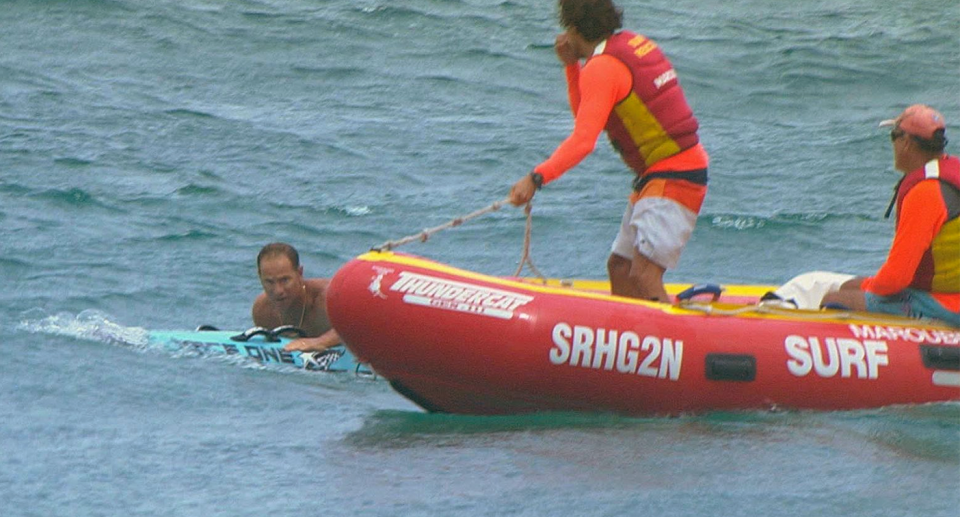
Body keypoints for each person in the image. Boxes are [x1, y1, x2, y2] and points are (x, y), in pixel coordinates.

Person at [508, 0, 709, 302]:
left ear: (574, 28)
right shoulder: (629, 44)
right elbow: (588, 117)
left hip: (675, 176)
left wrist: (536, 178)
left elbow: (583, 140)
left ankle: (670, 341)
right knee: (619, 266)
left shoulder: (603, 68)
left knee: (643, 274)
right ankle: (629, 336)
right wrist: (571, 67)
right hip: (662, 174)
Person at [821, 105, 959, 327]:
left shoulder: (927, 191)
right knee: (850, 286)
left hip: (949, 304)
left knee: (835, 299)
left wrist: (868, 289)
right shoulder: (951, 173)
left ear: (906, 142)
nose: (892, 144)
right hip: (948, 294)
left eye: (893, 136)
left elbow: (896, 278)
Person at [251, 242, 342, 352]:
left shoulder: (328, 299)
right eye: (269, 282)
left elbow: (360, 325)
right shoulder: (263, 311)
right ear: (260, 277)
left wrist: (321, 341)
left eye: (285, 280)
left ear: (299, 273)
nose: (278, 290)